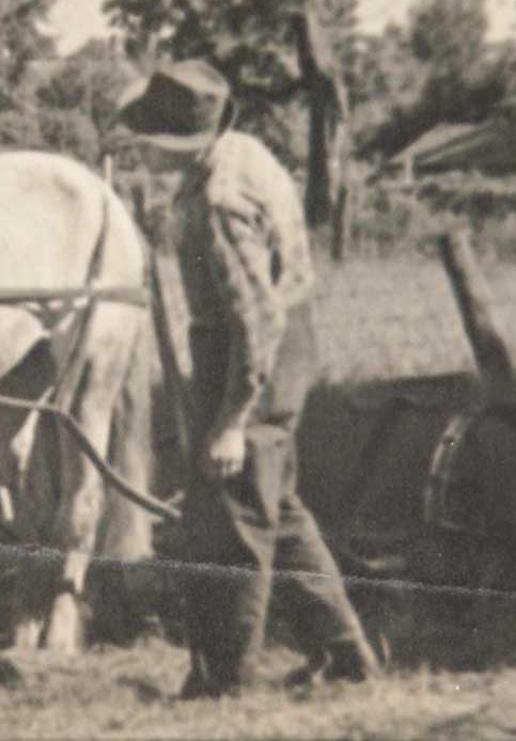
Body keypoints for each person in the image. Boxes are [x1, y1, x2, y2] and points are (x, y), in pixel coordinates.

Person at [113, 59, 378, 699]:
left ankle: (220, 685)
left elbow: (255, 319)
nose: (140, 149)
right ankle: (348, 658)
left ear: (180, 139)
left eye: (148, 139)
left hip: (251, 355)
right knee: (276, 510)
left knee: (233, 518)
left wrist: (232, 420)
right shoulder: (238, 152)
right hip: (272, 340)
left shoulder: (218, 201)